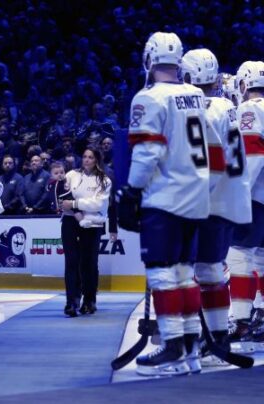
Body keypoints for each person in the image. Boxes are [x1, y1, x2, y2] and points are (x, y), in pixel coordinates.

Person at [117, 32, 209, 376]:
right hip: (195, 196)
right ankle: (190, 347)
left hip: (165, 197)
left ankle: (172, 346)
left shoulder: (149, 98)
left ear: (149, 59)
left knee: (162, 272)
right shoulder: (197, 95)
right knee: (186, 273)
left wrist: (130, 191)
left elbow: (148, 152)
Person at [181, 49, 251, 366]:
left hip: (207, 199)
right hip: (230, 197)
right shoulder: (229, 106)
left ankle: (213, 338)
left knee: (202, 270)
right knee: (213, 269)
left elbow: (204, 160)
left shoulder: (204, 109)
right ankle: (218, 336)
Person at [225, 61, 264, 352]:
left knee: (239, 256)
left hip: (254, 197)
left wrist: (238, 196)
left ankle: (240, 319)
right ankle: (261, 314)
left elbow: (253, 156)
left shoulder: (249, 109)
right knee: (262, 259)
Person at [60, 148, 111, 317]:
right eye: (84, 156)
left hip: (92, 225)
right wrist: (67, 206)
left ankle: (89, 300)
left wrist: (74, 205)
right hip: (70, 222)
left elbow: (98, 205)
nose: (87, 160)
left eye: (90, 157)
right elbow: (62, 194)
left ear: (96, 160)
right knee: (71, 262)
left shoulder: (104, 180)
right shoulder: (72, 175)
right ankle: (72, 302)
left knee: (89, 264)